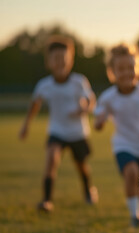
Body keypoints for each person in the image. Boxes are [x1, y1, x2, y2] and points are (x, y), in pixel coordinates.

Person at [19, 35, 98, 213]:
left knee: (81, 165)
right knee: (51, 160)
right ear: (48, 62)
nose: (61, 62)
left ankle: (88, 192)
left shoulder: (79, 81)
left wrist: (84, 108)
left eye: (64, 58)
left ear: (70, 60)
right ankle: (46, 200)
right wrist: (26, 126)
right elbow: (34, 105)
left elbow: (90, 99)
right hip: (57, 131)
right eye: (56, 59)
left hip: (78, 132)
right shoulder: (44, 85)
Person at [94, 43, 139, 227]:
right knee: (131, 172)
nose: (126, 72)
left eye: (131, 67)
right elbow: (98, 123)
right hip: (123, 145)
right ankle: (135, 216)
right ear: (112, 72)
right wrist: (100, 121)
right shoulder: (108, 97)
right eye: (121, 69)